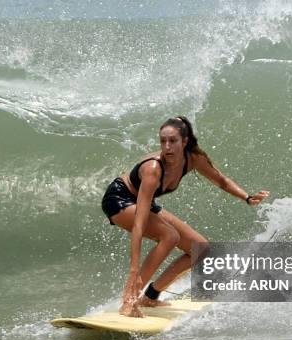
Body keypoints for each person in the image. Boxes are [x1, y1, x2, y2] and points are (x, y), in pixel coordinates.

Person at [101, 116, 269, 317]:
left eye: (173, 141)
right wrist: (133, 270)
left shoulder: (193, 159)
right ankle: (129, 300)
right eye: (163, 141)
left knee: (200, 248)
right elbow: (139, 224)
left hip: (142, 200)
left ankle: (151, 296)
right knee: (170, 236)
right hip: (119, 199)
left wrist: (247, 197)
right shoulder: (153, 169)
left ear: (185, 142)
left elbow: (222, 181)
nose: (167, 147)